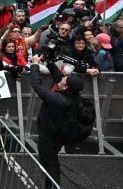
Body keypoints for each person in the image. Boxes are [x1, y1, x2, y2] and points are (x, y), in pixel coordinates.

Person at [30, 55, 84, 189]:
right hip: (57, 136)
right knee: (53, 162)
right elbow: (59, 79)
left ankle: (51, 187)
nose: (62, 77)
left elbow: (37, 85)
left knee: (48, 167)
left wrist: (35, 65)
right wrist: (50, 63)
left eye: (65, 79)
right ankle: (56, 185)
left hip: (49, 138)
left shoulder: (59, 100)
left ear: (65, 87)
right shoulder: (72, 95)